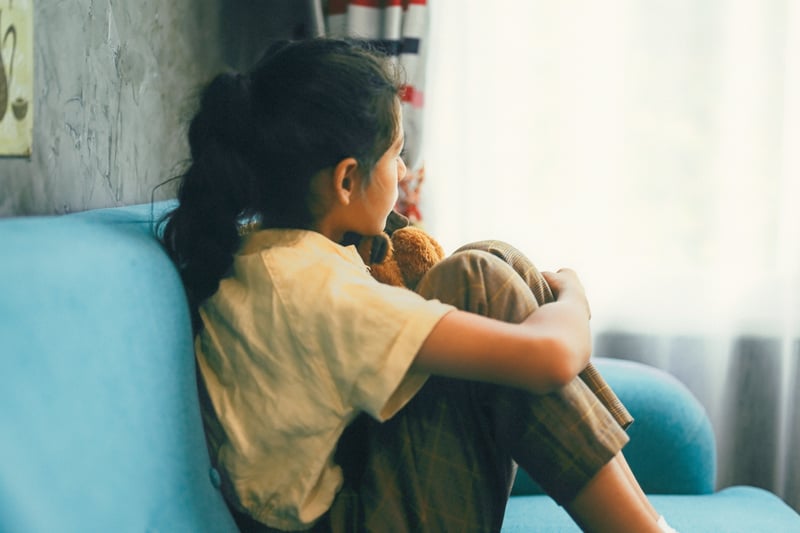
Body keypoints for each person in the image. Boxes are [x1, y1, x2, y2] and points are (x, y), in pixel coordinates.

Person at [160, 38, 678, 533]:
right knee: (479, 279)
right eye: (395, 154)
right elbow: (550, 359)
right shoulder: (316, 292)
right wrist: (575, 298)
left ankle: (644, 522)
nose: (403, 171)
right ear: (345, 180)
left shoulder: (263, 254)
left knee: (484, 264)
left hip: (353, 489)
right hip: (350, 521)